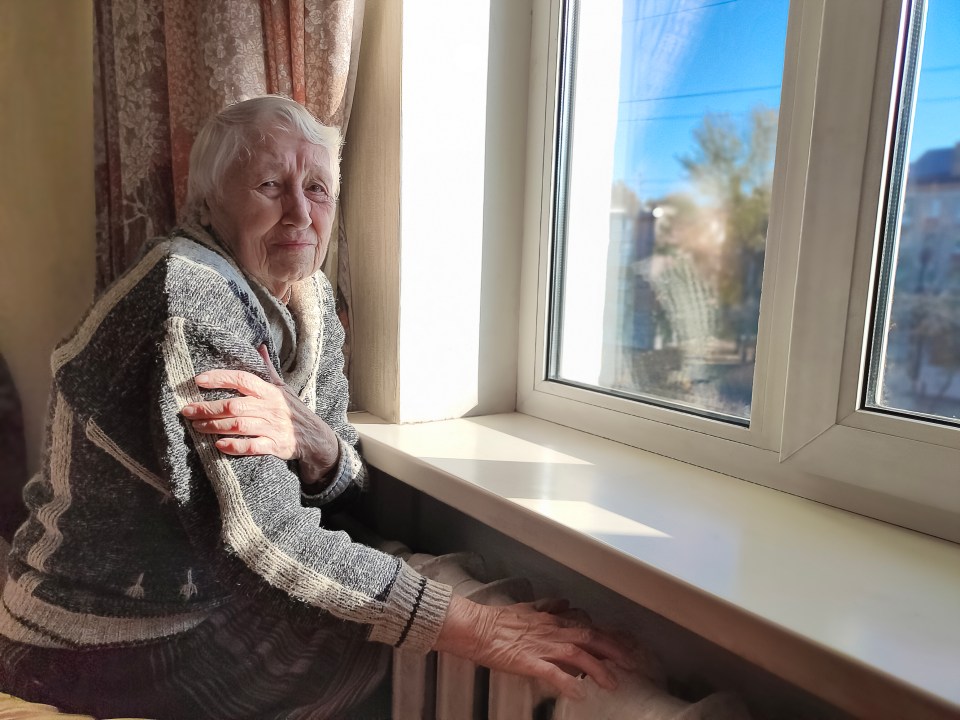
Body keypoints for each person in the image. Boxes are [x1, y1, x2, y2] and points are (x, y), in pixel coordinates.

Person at [0, 95, 630, 719]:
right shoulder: (189, 290)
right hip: (90, 630)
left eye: (319, 189)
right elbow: (266, 533)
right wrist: (478, 628)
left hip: (199, 592)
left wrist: (317, 443)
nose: (300, 212)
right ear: (208, 204)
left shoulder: (310, 299)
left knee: (386, 611)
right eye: (271, 185)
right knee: (371, 647)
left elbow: (341, 491)